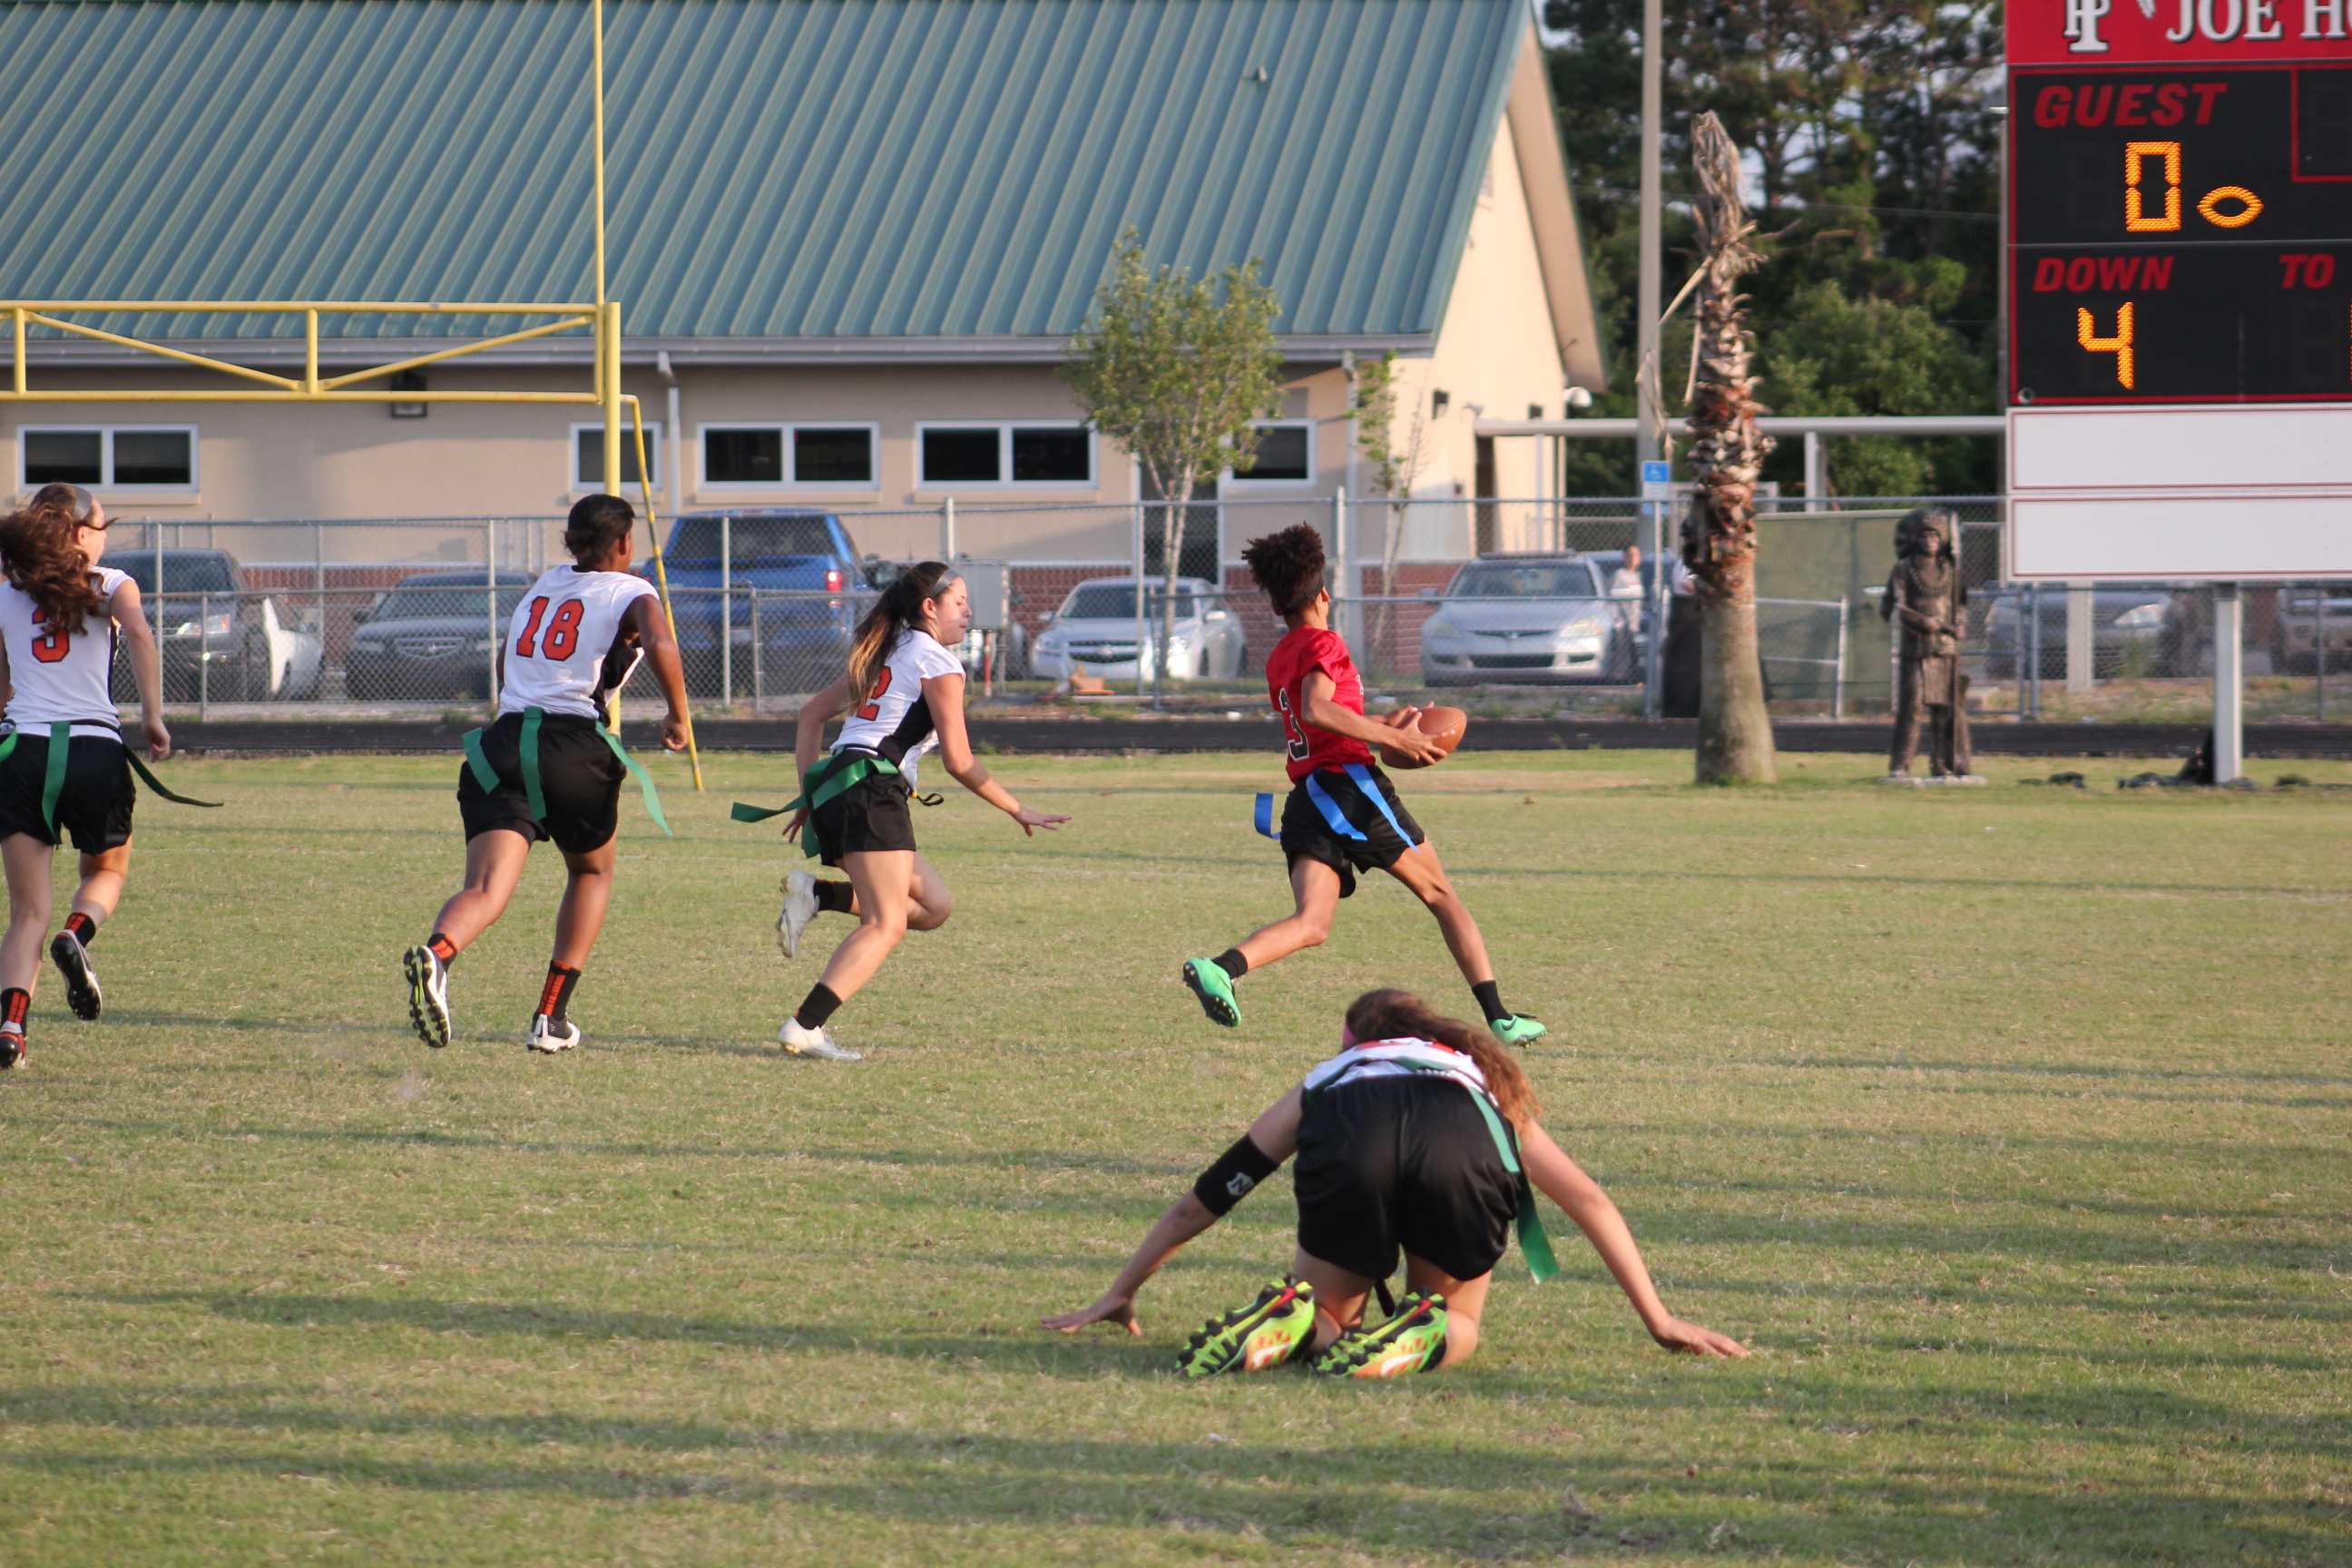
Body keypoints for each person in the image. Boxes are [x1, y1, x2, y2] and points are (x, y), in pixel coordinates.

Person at [1045, 988, 1746, 1377]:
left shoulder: (1335, 1076)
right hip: (1460, 1142)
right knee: (1458, 1317)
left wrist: (1123, 1289)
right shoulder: (1480, 1077)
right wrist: (1659, 1319)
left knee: (1330, 1318)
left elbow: (1209, 1195)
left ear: (1357, 1041)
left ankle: (1298, 1321)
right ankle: (1429, 1325)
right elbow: (1588, 1199)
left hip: (1354, 1138)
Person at [1179, 524, 1544, 1044]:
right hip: (1348, 790)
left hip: (1308, 799)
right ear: (1324, 595)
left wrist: (1383, 724)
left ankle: (1222, 968)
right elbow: (1317, 709)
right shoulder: (1326, 642)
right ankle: (1501, 1018)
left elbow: (1322, 717)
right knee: (1441, 893)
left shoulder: (1282, 653)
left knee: (1313, 923)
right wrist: (1396, 739)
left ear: (1277, 605)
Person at [401, 494, 691, 1054]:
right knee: (591, 873)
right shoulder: (632, 590)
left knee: (485, 888)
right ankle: (550, 1016)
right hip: (571, 747)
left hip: (503, 742)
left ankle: (438, 956)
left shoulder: (544, 585)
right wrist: (678, 714)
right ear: (625, 541)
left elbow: (506, 660)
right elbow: (659, 640)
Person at [768, 561, 1070, 1060]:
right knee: (885, 924)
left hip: (840, 784)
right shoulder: (938, 663)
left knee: (933, 909)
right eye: (960, 602)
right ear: (929, 607)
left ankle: (817, 894)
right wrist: (1018, 809)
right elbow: (960, 762)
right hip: (871, 790)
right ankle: (806, 1025)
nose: (969, 612)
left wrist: (808, 796)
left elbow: (810, 716)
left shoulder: (886, 650)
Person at [0, 485, 171, 1069]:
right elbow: (140, 634)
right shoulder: (111, 583)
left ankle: (11, 1027)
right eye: (101, 527)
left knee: (27, 913)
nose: (105, 539)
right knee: (106, 869)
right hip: (94, 748)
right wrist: (152, 717)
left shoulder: (6, 589)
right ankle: (77, 933)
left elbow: (3, 683)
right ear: (79, 533)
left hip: (22, 751)